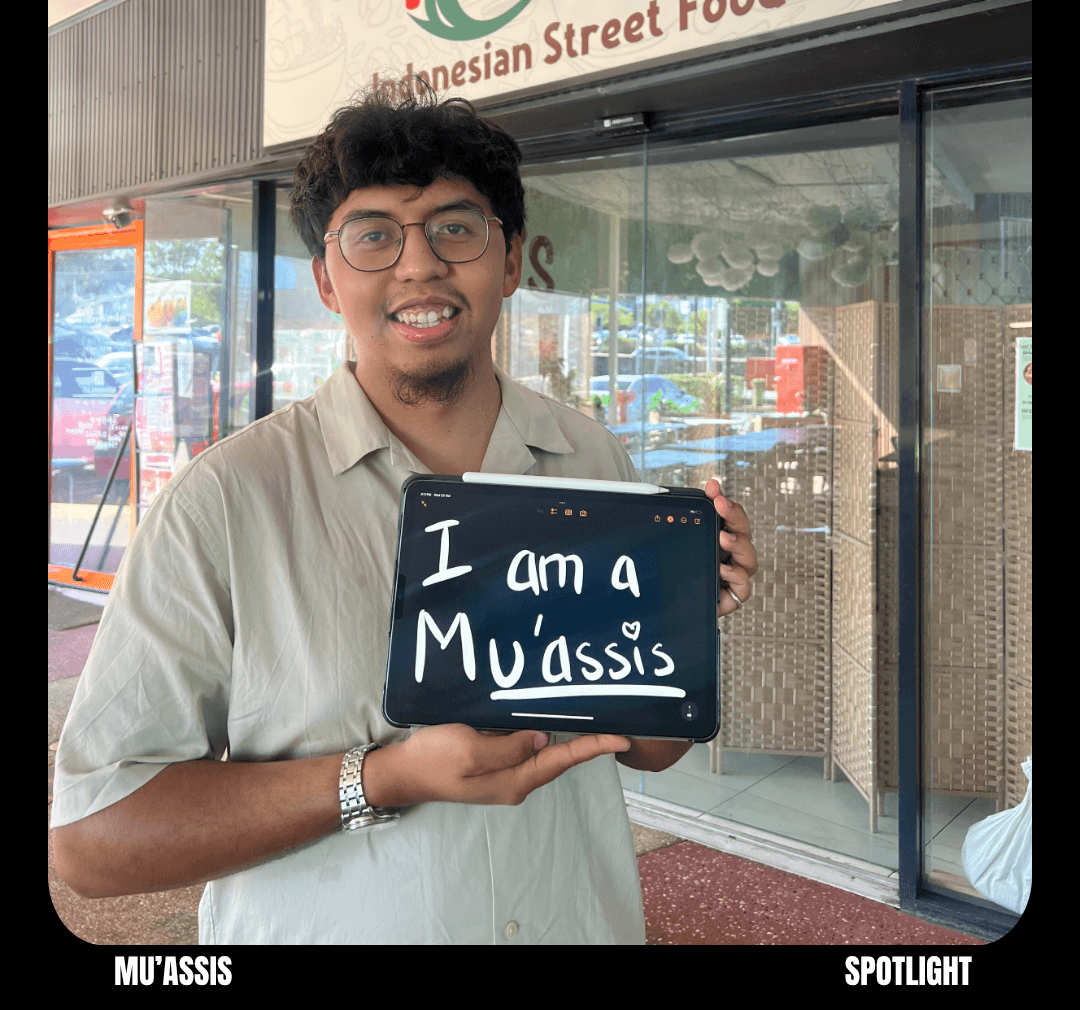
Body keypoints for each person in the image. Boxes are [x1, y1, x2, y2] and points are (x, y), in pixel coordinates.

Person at [50, 84, 757, 945]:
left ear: (510, 262)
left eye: (456, 227)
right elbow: (91, 843)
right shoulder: (224, 502)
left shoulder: (590, 458)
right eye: (374, 235)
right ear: (326, 279)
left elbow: (648, 748)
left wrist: (677, 621)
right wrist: (378, 778)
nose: (418, 265)